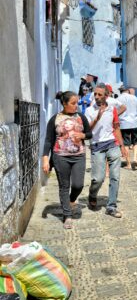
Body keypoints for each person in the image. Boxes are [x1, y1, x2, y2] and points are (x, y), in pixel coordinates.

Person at [42, 91, 92, 229]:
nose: (76, 105)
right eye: (73, 103)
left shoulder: (81, 117)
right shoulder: (55, 119)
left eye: (77, 103)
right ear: (64, 104)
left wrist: (82, 135)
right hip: (60, 157)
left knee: (78, 185)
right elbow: (48, 141)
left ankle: (70, 200)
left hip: (79, 156)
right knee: (64, 186)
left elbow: (89, 133)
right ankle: (67, 215)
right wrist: (46, 159)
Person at [85, 83, 127, 218]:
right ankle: (92, 195)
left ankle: (111, 206)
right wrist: (97, 117)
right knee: (98, 178)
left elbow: (116, 128)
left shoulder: (112, 109)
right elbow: (87, 131)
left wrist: (122, 146)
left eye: (99, 95)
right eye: (95, 94)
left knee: (115, 176)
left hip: (112, 144)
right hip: (97, 146)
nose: (96, 97)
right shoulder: (89, 111)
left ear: (106, 96)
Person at [117, 86, 137, 170]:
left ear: (120, 91)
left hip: (123, 124)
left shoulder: (118, 99)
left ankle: (128, 164)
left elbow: (116, 111)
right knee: (135, 141)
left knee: (125, 143)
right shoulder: (134, 98)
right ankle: (135, 158)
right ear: (128, 91)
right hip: (134, 122)